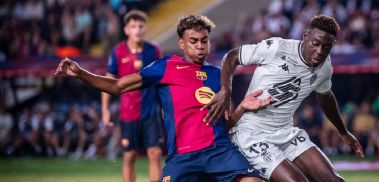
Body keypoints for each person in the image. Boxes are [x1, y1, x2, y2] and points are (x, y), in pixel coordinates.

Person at [55, 15, 269, 181]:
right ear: (182, 43)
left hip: (220, 152)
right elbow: (118, 86)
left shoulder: (217, 74)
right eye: (193, 41)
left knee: (253, 180)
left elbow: (227, 123)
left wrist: (241, 107)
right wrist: (81, 73)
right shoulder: (166, 67)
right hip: (183, 157)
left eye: (204, 40)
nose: (200, 46)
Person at [204, 15, 365, 181]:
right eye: (315, 43)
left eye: (327, 47)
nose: (320, 51)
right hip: (252, 135)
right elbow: (231, 56)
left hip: (286, 133)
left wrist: (343, 132)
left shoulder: (324, 68)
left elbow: (326, 97)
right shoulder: (277, 48)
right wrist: (226, 90)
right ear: (305, 36)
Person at [101, 10, 163, 182]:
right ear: (126, 30)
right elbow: (108, 81)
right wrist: (105, 109)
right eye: (133, 26)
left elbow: (162, 80)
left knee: (155, 153)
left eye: (140, 26)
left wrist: (165, 106)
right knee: (129, 156)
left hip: (151, 112)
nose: (137, 29)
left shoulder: (154, 50)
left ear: (145, 29)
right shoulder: (118, 52)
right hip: (128, 113)